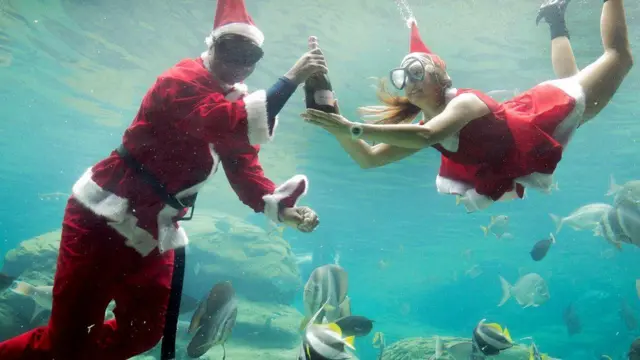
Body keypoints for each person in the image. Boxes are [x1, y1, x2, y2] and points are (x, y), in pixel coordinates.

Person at [0, 0, 326, 359]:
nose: (238, 64)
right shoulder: (180, 81)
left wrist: (282, 208)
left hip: (155, 228)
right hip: (102, 216)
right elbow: (222, 121)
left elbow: (243, 165)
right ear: (212, 44)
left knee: (143, 333)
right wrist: (291, 79)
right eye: (230, 50)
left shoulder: (236, 99)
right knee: (68, 340)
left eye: (250, 56)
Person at [301, 0, 633, 213]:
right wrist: (336, 125)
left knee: (618, 58)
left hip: (543, 112)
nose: (409, 81)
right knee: (576, 84)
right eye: (403, 76)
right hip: (529, 126)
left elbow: (427, 135)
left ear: (440, 77)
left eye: (416, 71)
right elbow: (367, 159)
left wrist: (353, 128)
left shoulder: (464, 102)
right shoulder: (428, 123)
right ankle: (554, 17)